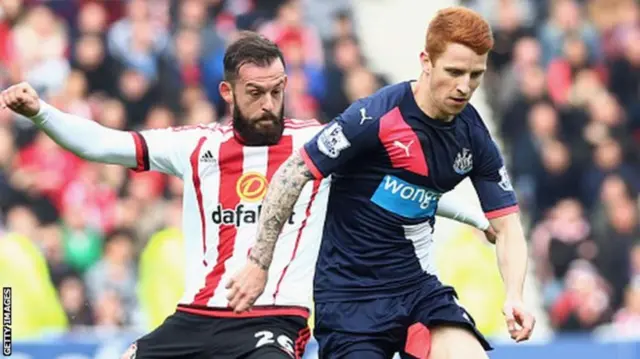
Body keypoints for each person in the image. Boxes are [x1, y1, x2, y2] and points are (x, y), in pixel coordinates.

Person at [0, 31, 494, 359]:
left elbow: (400, 185)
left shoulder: (316, 145)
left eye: (277, 90)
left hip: (276, 320)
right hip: (193, 318)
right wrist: (42, 112)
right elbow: (104, 144)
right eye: (255, 92)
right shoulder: (195, 146)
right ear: (227, 92)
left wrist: (475, 217)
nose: (269, 103)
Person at [227, 7, 536, 359]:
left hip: (417, 288)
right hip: (350, 299)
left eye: (475, 75)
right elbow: (292, 173)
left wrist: (515, 295)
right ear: (426, 61)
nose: (464, 86)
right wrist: (258, 262)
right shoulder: (373, 117)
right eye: (454, 72)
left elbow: (509, 227)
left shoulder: (473, 135)